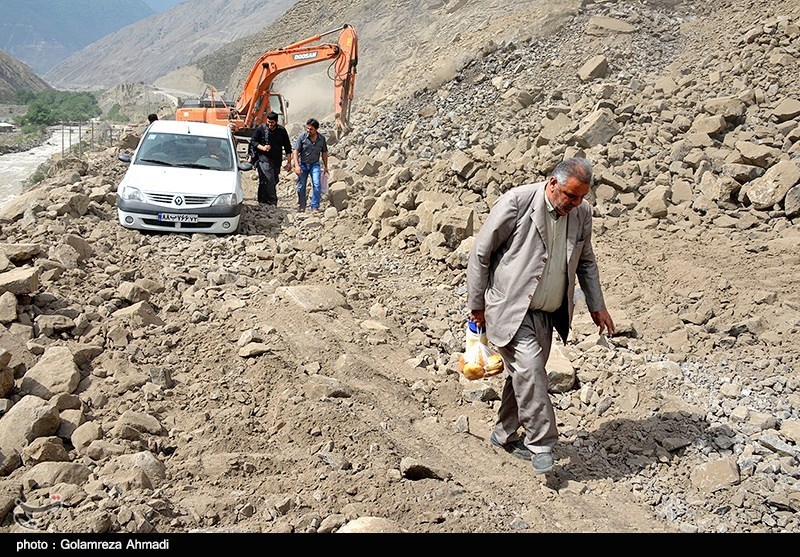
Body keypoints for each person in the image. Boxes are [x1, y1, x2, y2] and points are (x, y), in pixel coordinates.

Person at [466, 157, 615, 475]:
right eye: (570, 195)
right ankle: (542, 442)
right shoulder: (517, 202)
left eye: (581, 198)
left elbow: (586, 262)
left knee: (522, 374)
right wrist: (477, 305)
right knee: (532, 370)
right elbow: (481, 252)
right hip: (510, 307)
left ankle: (504, 433)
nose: (575, 204)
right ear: (552, 184)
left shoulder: (581, 213)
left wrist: (596, 306)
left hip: (549, 312)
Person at [248, 111, 292, 206]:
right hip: (263, 158)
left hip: (276, 160)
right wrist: (262, 148)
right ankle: (272, 202)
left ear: (276, 121)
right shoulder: (261, 129)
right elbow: (253, 141)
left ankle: (263, 200)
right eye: (268, 122)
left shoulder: (281, 131)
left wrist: (289, 162)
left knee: (273, 180)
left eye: (272, 122)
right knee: (268, 179)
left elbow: (288, 147)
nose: (270, 124)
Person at [292, 118, 329, 212]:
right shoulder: (302, 137)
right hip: (303, 164)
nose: (308, 130)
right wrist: (296, 165)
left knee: (317, 184)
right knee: (301, 186)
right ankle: (302, 205)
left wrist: (326, 166)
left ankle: (314, 206)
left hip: (315, 165)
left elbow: (324, 152)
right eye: (307, 128)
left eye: (311, 129)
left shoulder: (321, 139)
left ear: (316, 129)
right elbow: (295, 151)